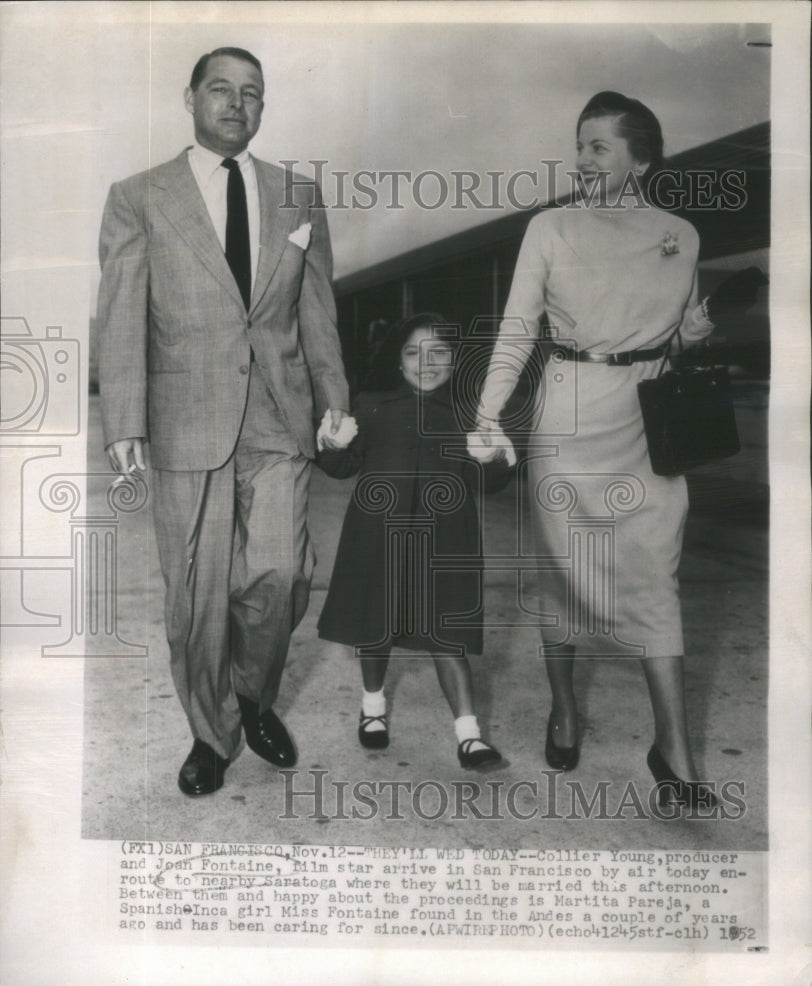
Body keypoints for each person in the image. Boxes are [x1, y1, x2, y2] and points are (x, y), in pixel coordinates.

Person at [474, 92, 765, 807]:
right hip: (567, 417)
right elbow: (518, 327)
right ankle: (566, 709)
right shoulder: (550, 227)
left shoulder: (680, 235)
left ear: (642, 157)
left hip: (646, 422)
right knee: (564, 577)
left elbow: (670, 334)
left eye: (599, 146)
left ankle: (677, 755)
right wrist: (486, 412)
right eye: (579, 145)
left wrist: (689, 335)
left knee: (653, 579)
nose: (582, 159)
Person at [96, 47, 350, 796]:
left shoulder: (298, 194)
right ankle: (211, 732)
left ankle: (252, 694)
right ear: (191, 98)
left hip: (278, 417)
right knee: (195, 599)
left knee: (283, 573)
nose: (237, 104)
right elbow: (121, 315)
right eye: (221, 89)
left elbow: (318, 310)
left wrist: (335, 399)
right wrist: (124, 421)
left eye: (252, 94)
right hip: (185, 419)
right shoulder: (138, 196)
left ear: (263, 107)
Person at [317, 314, 513, 769]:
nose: (427, 364)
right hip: (377, 534)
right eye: (413, 353)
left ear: (454, 359)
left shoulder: (468, 414)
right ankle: (372, 710)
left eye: (439, 353)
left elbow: (486, 482)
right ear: (398, 362)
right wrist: (333, 446)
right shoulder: (371, 405)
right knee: (375, 626)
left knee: (449, 637)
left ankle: (470, 737)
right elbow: (344, 468)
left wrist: (496, 458)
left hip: (446, 542)